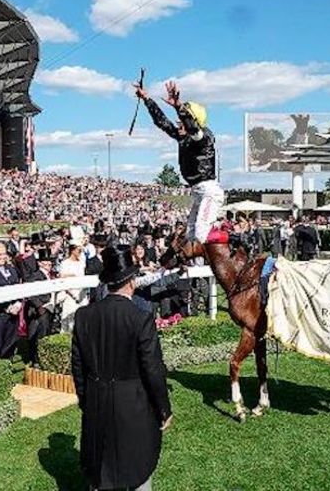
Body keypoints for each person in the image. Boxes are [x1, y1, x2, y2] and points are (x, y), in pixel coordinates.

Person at [71, 246, 172, 491]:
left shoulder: (84, 316)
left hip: (97, 400)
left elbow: (77, 366)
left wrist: (87, 400)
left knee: (101, 470)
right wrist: (163, 409)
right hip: (134, 405)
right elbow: (153, 369)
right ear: (132, 281)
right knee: (138, 469)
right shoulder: (140, 318)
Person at [136, 81, 223, 245]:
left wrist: (178, 107)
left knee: (200, 234)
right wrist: (147, 99)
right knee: (190, 236)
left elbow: (192, 128)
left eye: (181, 120)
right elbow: (162, 122)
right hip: (198, 192)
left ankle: (234, 237)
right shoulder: (183, 138)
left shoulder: (203, 137)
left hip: (209, 191)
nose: (177, 123)